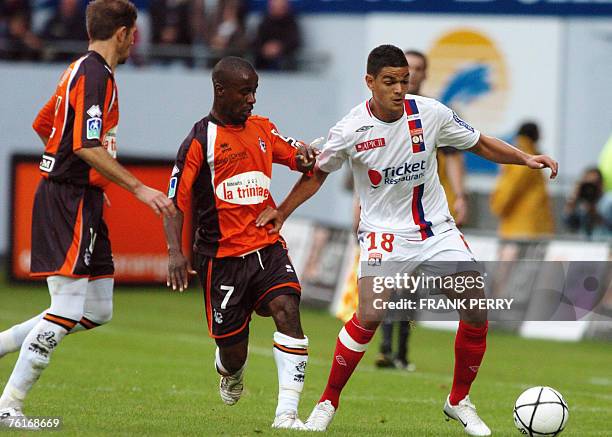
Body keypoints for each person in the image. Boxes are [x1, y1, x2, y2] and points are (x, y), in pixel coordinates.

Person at [256, 45, 558, 436]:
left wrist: (525, 159)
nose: (399, 89)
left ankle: (458, 401)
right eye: (389, 82)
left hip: (435, 229)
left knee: (475, 305)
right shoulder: (351, 129)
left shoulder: (430, 113)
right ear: (369, 83)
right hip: (384, 234)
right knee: (370, 314)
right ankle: (327, 401)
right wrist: (282, 212)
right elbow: (317, 173)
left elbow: (479, 142)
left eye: (404, 80)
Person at [0, 0, 175, 426]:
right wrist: (136, 187)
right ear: (122, 34)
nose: (136, 40)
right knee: (66, 307)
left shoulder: (80, 70)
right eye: (134, 33)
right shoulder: (95, 74)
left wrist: (90, 176)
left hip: (82, 196)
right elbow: (82, 143)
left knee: (96, 309)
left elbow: (46, 124)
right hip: (70, 199)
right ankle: (9, 406)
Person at [163, 56, 318, 430]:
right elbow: (174, 202)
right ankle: (229, 371)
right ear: (221, 90)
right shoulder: (200, 140)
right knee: (233, 351)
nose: (252, 100)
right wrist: (174, 252)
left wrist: (306, 154)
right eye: (245, 92)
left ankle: (287, 415)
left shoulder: (263, 129)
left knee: (287, 309)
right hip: (223, 259)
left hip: (267, 247)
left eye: (255, 92)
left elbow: (302, 160)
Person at [490, 122, 555, 240]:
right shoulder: (527, 158)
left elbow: (510, 185)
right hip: (525, 227)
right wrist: (499, 206)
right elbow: (512, 186)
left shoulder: (521, 155)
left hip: (520, 226)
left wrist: (498, 206)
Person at [253, 0, 301, 71]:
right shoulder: (265, 22)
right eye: (274, 7)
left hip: (284, 56)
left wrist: (279, 47)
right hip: (264, 56)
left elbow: (294, 41)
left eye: (280, 7)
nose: (277, 10)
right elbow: (257, 40)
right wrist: (264, 48)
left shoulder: (291, 23)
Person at [563, 167, 610, 238]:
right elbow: (570, 224)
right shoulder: (582, 202)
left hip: (606, 245)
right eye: (587, 184)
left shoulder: (609, 201)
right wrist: (572, 201)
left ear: (601, 184)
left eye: (594, 183)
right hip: (586, 246)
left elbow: (608, 225)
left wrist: (593, 212)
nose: (590, 189)